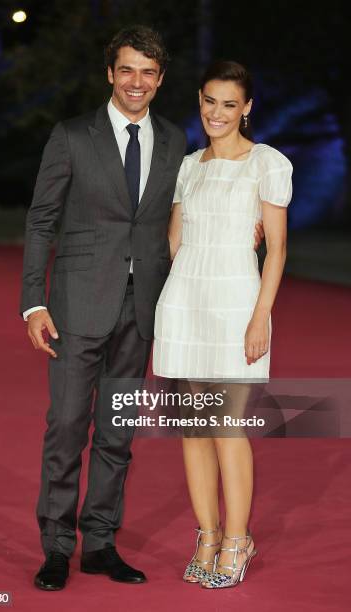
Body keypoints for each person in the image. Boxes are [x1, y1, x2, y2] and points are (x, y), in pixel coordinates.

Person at [20, 25, 187, 590]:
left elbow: (173, 222)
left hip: (141, 310)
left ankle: (100, 544)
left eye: (147, 72)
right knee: (67, 428)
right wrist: (32, 303)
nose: (135, 82)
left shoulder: (173, 140)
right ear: (109, 74)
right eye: (126, 70)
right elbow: (42, 221)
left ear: (160, 80)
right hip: (75, 306)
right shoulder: (71, 136)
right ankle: (56, 548)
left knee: (117, 434)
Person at [153, 60, 293, 589]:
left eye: (229, 104)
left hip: (237, 302)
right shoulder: (188, 167)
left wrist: (261, 316)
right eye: (210, 101)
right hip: (185, 299)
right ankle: (207, 536)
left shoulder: (268, 163)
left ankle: (238, 539)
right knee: (194, 430)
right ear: (199, 100)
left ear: (247, 108)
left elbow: (277, 250)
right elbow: (173, 241)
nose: (217, 113)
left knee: (228, 429)